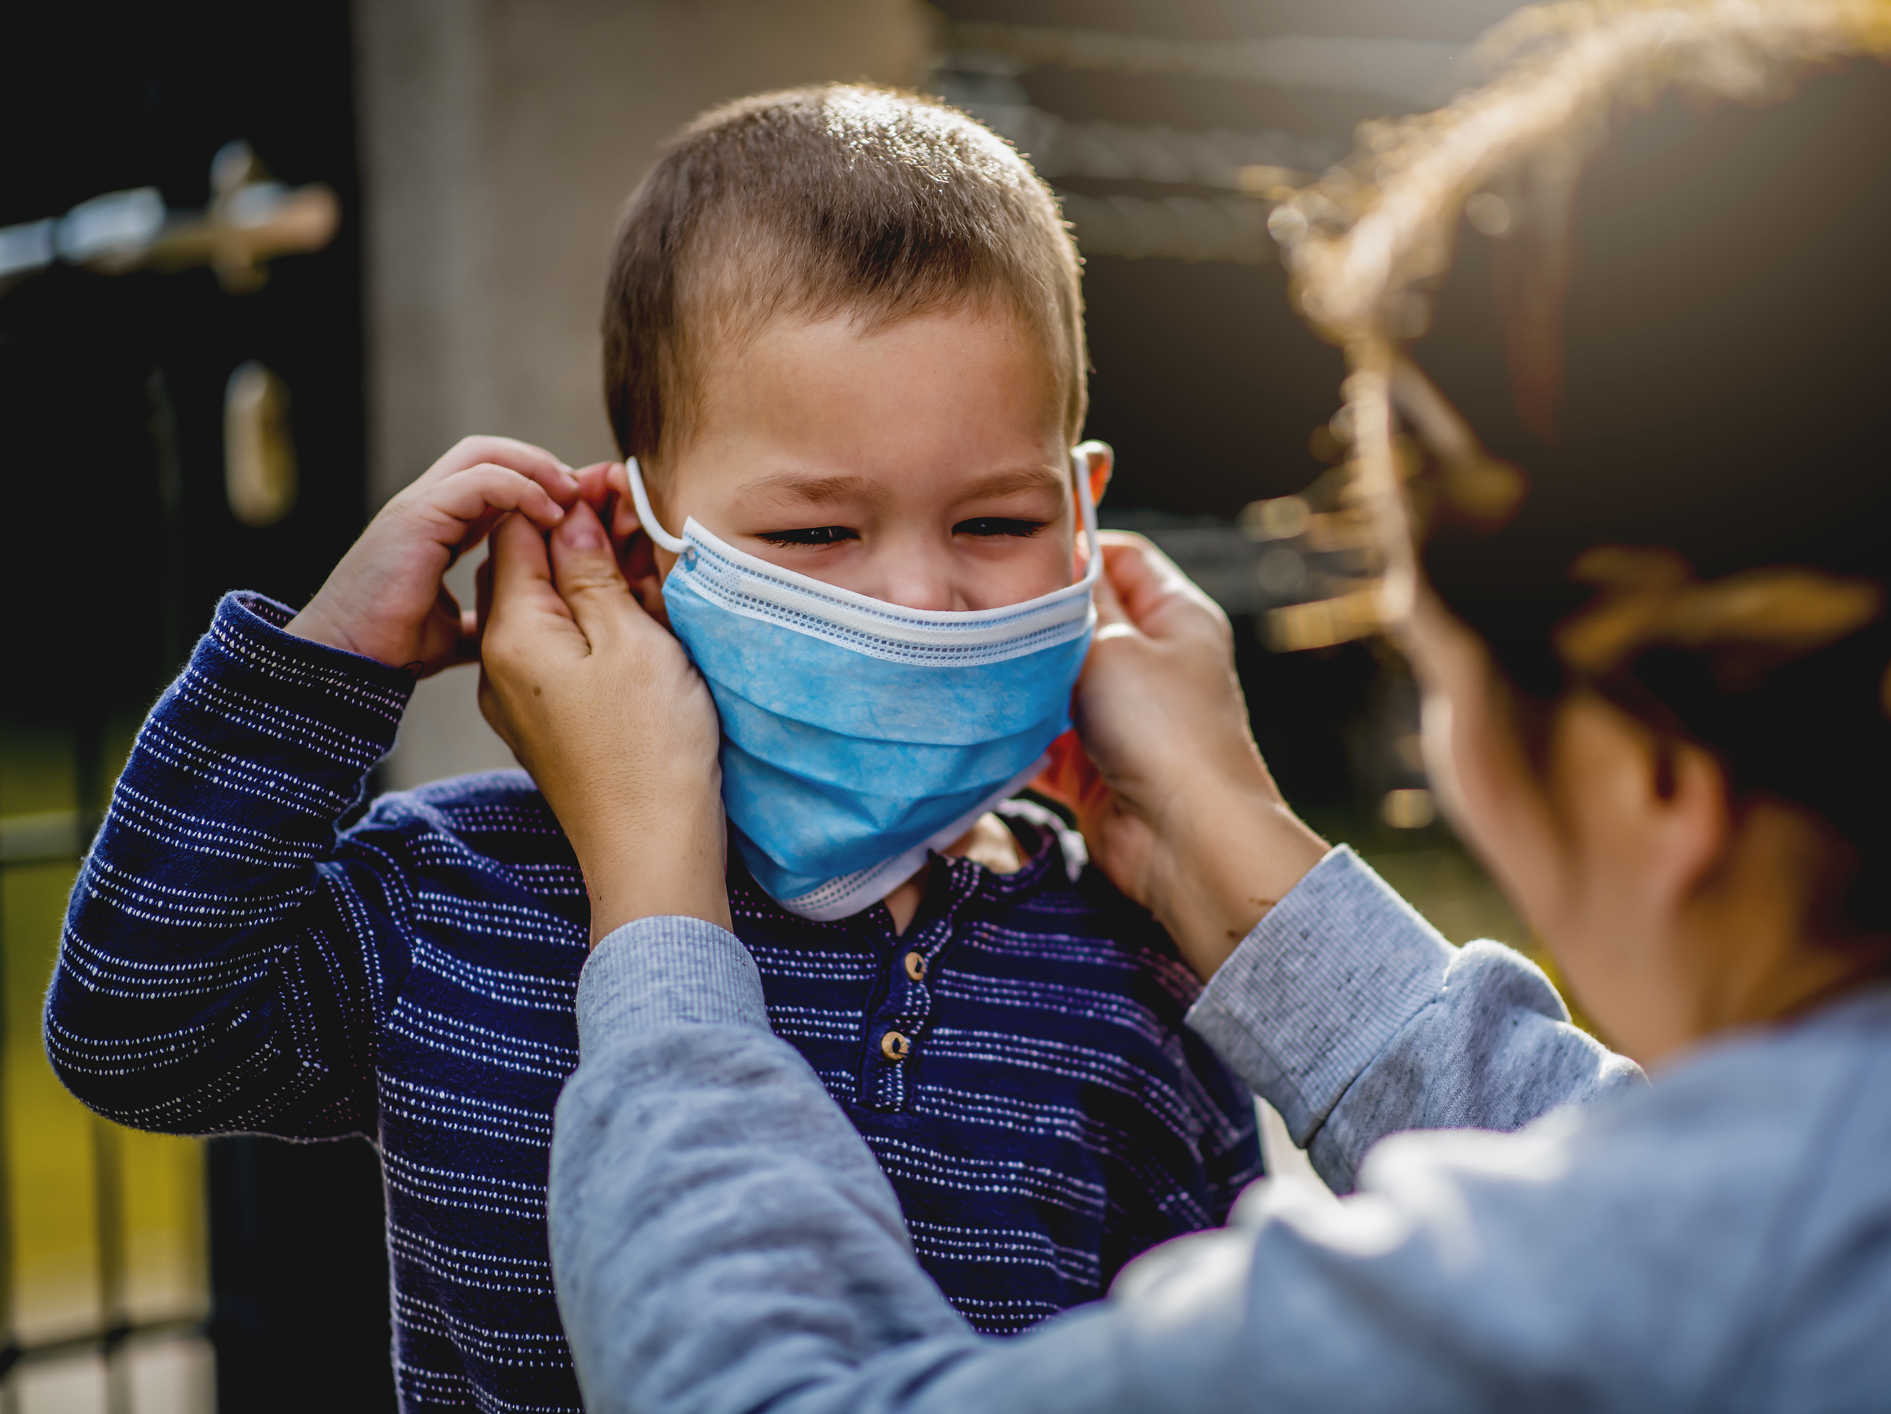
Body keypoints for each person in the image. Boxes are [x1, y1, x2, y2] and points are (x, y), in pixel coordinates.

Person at [481, 1, 1891, 1409]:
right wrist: (1234, 856)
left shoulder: (1669, 1298)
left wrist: (657, 921)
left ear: (1658, 780)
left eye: (1433, 684)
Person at [45, 87, 1272, 1411]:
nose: (920, 597)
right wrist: (329, 661)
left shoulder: (1140, 973)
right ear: (632, 545)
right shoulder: (458, 893)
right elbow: (141, 1023)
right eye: (815, 533)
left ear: (1082, 513)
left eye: (995, 523)